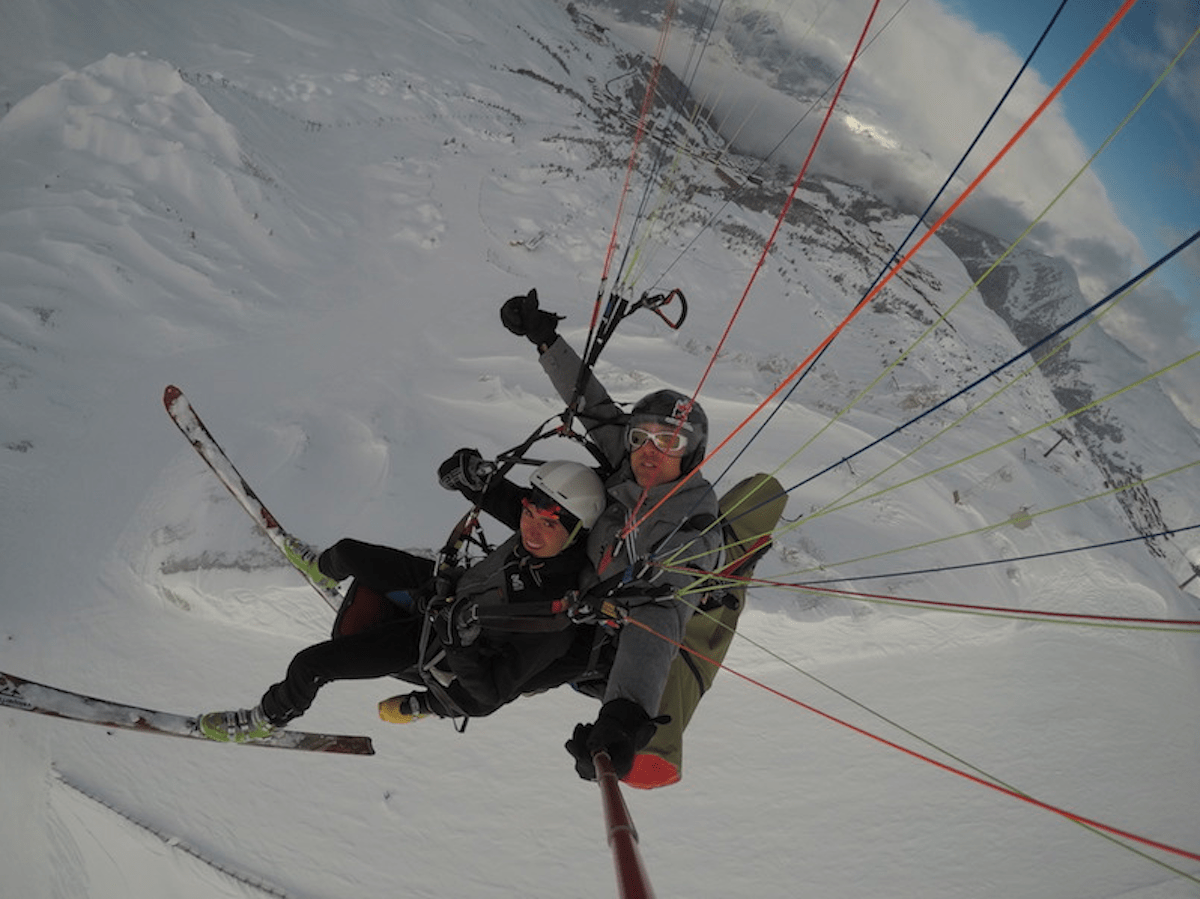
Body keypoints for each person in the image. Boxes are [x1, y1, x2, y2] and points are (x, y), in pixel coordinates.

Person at [198, 458, 606, 742]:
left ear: (575, 532)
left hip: (435, 647)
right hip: (450, 591)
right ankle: (323, 568)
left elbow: (489, 695)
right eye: (529, 515)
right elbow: (516, 505)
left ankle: (268, 718)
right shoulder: (549, 535)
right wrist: (472, 479)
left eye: (548, 524)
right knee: (348, 552)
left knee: (310, 665)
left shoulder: (552, 615)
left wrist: (455, 646)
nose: (531, 530)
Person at [499, 288, 724, 781]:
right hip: (570, 585)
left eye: (668, 442)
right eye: (641, 437)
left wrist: (623, 718)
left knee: (508, 671)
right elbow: (595, 406)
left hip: (601, 641)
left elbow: (660, 616)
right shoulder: (633, 465)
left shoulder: (692, 523)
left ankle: (444, 696)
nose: (648, 450)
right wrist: (544, 339)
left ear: (691, 454)